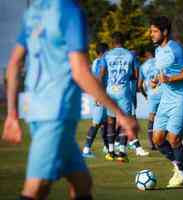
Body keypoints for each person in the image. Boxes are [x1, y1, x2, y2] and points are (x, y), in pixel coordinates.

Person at [1, 1, 137, 199]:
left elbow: (14, 64)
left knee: (82, 183)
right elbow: (81, 71)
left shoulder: (34, 12)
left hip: (36, 111)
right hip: (57, 113)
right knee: (36, 188)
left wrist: (12, 114)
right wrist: (120, 114)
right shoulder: (70, 12)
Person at [150, 16, 183, 188]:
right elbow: (163, 72)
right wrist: (156, 80)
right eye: (151, 31)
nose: (151, 35)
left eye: (154, 31)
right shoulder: (158, 51)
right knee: (157, 139)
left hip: (181, 99)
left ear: (165, 32)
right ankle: (178, 165)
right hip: (166, 100)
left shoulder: (176, 48)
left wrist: (171, 78)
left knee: (173, 138)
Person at [101, 32, 148, 162]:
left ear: (112, 43)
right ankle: (122, 151)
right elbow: (135, 74)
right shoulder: (130, 55)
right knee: (124, 121)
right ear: (124, 42)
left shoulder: (107, 55)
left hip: (111, 90)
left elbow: (102, 74)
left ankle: (110, 151)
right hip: (124, 91)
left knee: (111, 120)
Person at [82, 43, 109, 158]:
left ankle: (107, 148)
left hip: (101, 94)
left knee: (104, 123)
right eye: (107, 51)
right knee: (96, 123)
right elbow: (99, 78)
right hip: (100, 95)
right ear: (104, 52)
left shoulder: (95, 62)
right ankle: (86, 149)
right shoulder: (100, 63)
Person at [138, 46, 161, 150]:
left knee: (151, 118)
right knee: (164, 117)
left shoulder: (143, 66)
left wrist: (145, 95)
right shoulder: (160, 62)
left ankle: (152, 144)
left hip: (152, 94)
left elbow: (139, 85)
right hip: (163, 93)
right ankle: (163, 141)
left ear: (147, 53)